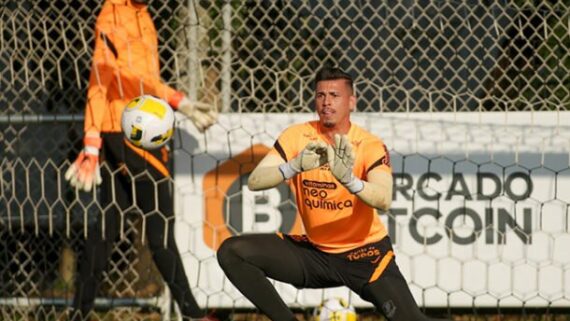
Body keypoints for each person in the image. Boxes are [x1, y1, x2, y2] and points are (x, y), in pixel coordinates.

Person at [217, 67, 450, 321]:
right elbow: (255, 181)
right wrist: (293, 166)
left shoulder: (369, 145)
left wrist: (349, 180)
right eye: (320, 95)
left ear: (352, 102)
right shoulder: (298, 136)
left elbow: (384, 199)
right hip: (315, 255)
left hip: (365, 254)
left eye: (335, 95)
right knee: (232, 252)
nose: (326, 102)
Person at [63, 0, 217, 320]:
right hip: (132, 133)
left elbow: (138, 78)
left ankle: (78, 312)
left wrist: (176, 102)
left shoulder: (143, 14)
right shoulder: (113, 15)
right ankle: (194, 314)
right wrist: (91, 141)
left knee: (107, 229)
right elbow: (101, 80)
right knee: (161, 226)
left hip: (136, 129)